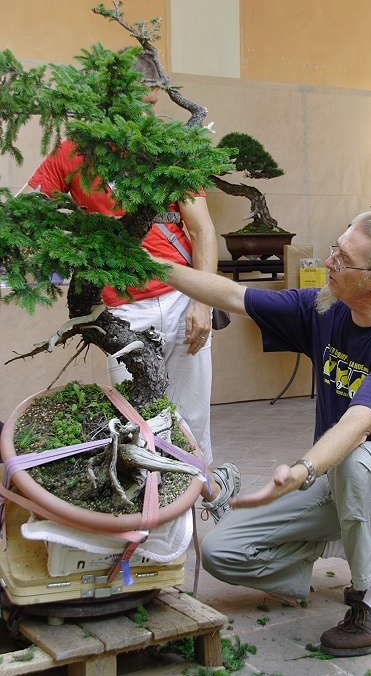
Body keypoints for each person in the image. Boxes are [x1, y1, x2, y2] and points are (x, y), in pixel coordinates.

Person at [149, 209, 371, 657]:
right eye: (335, 249)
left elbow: (357, 424)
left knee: (360, 457)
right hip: (339, 478)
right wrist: (150, 265)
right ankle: (349, 549)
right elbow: (233, 294)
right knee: (223, 551)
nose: (330, 261)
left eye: (343, 259)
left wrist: (304, 469)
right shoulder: (326, 309)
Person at [25, 51, 239, 519]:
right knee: (136, 415)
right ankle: (148, 514)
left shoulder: (165, 149)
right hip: (121, 308)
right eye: (134, 99)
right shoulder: (73, 152)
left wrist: (202, 302)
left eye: (151, 100)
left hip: (181, 295)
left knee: (192, 414)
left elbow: (201, 229)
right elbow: (32, 208)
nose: (144, 109)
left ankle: (196, 507)